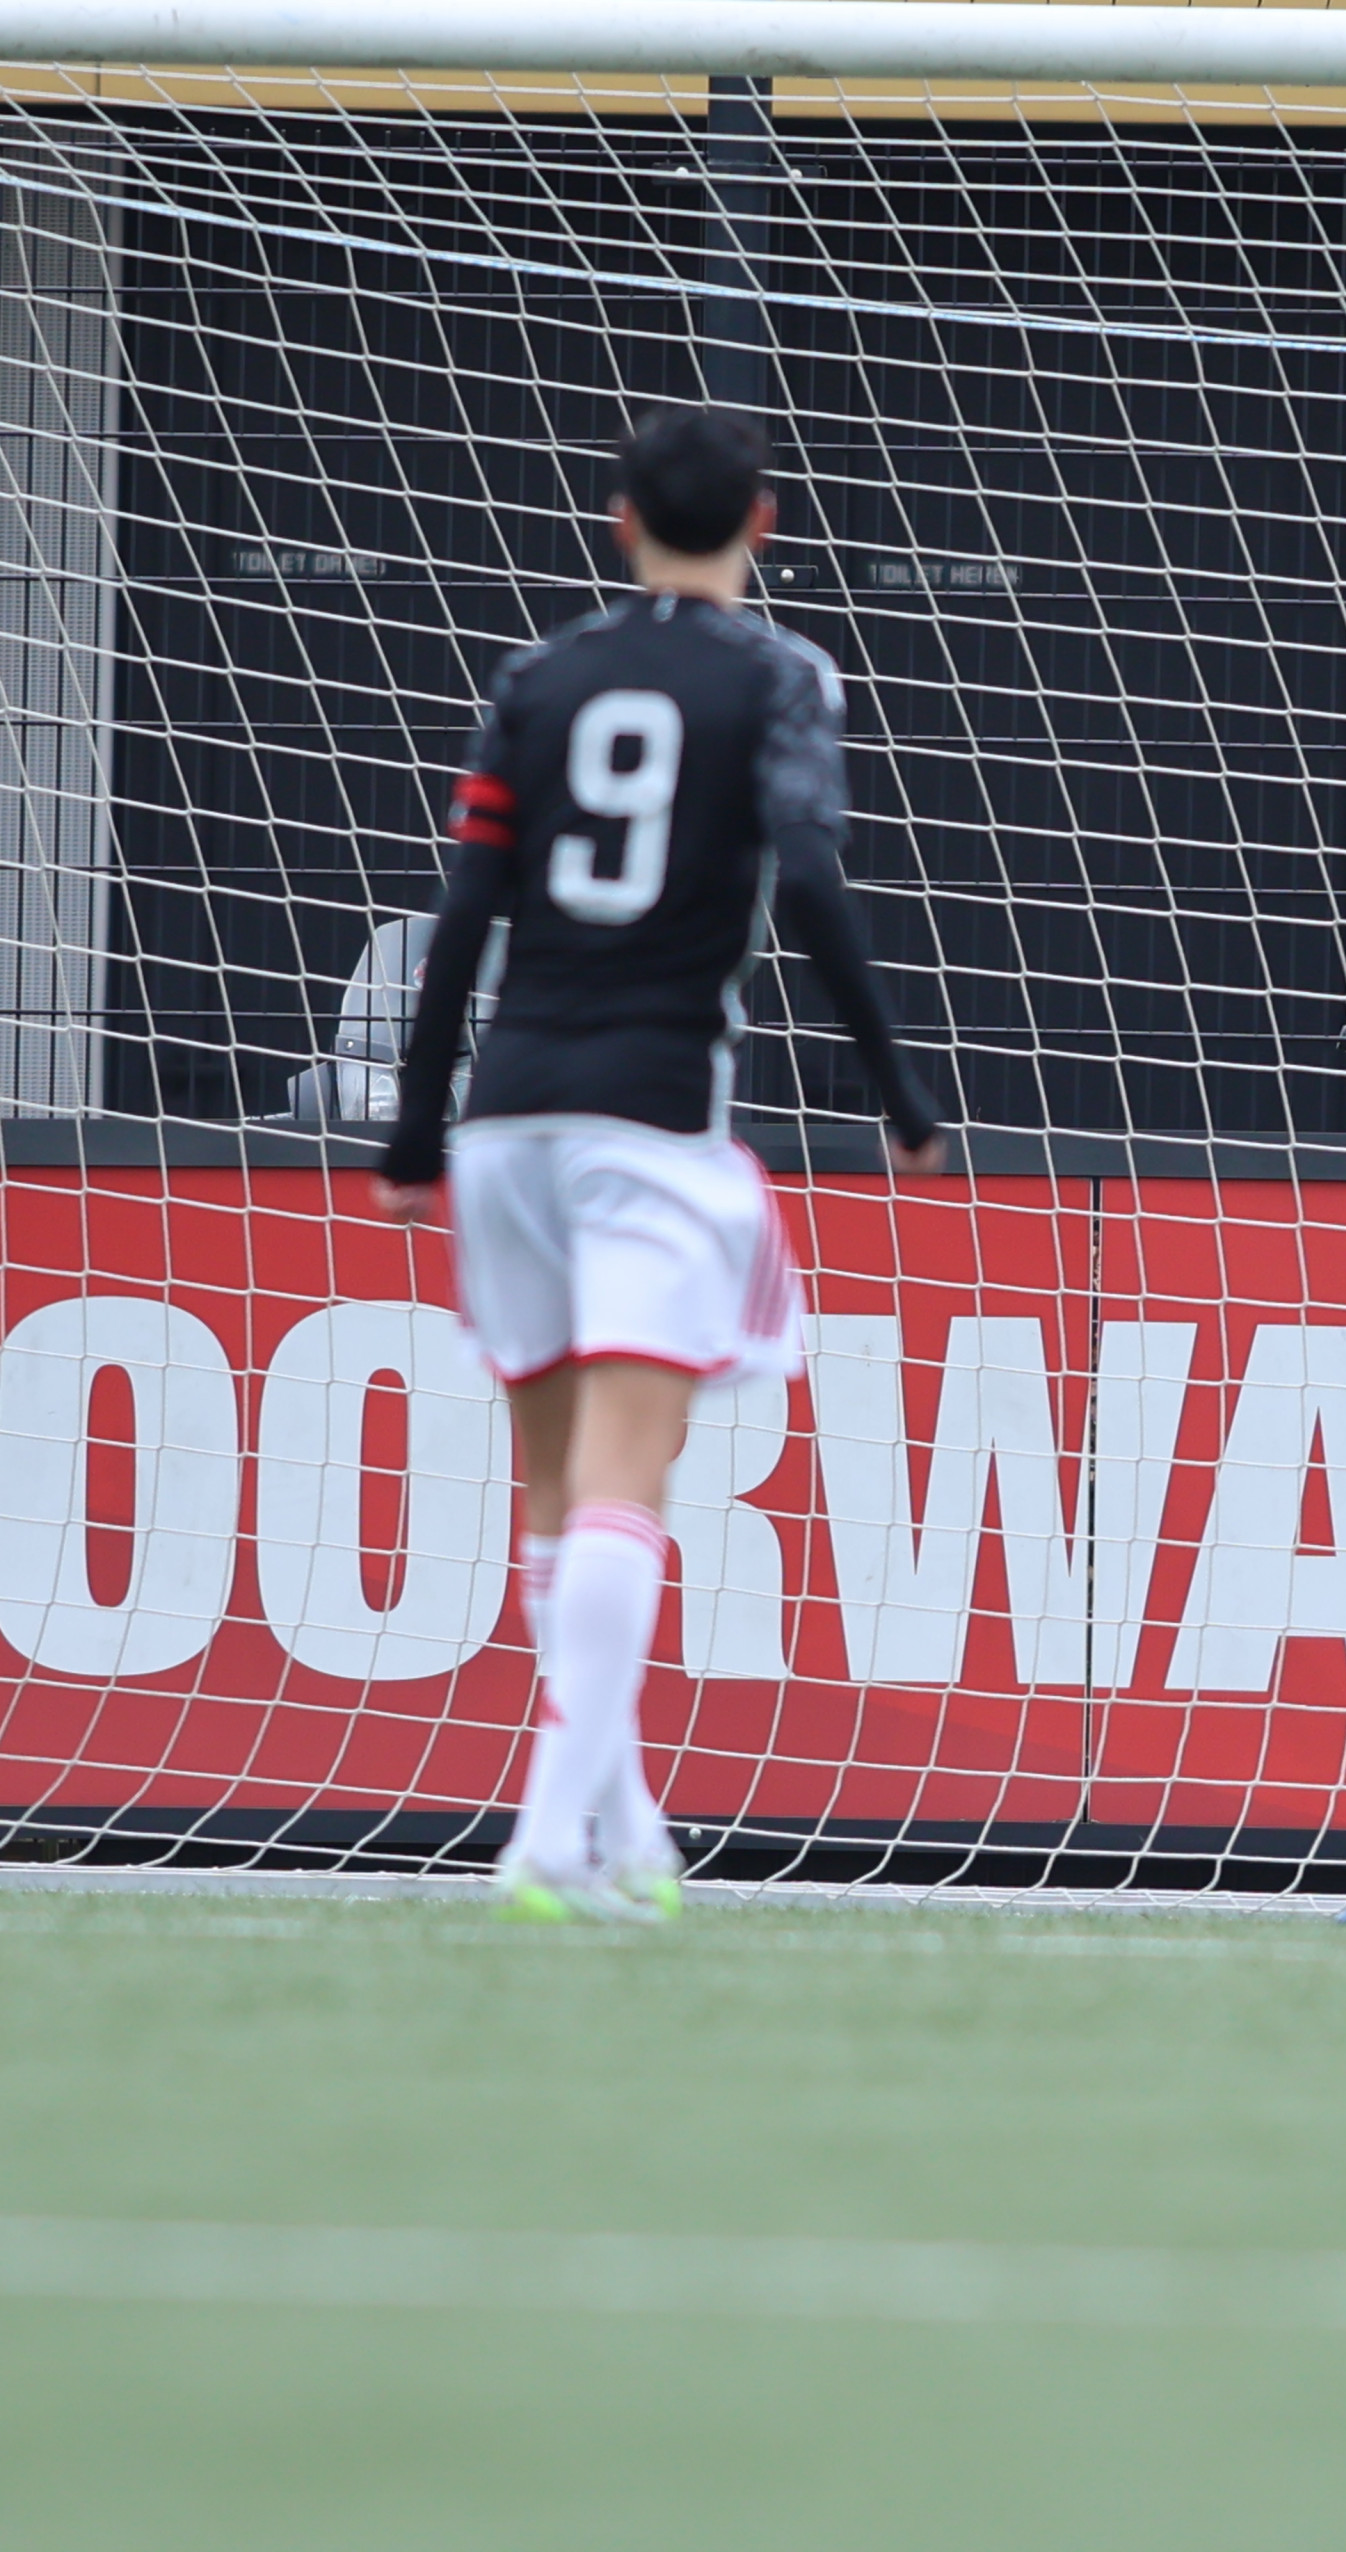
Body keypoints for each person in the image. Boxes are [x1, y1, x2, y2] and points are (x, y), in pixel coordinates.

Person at [377, 406, 949, 1924]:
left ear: (620, 520)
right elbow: (812, 885)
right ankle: (545, 1839)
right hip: (653, 1124)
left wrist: (415, 1127)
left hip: (508, 1120)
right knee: (633, 1480)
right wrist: (897, 1090)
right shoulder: (778, 676)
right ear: (763, 521)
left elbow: (466, 909)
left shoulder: (537, 680)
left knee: (557, 1493)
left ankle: (625, 1830)